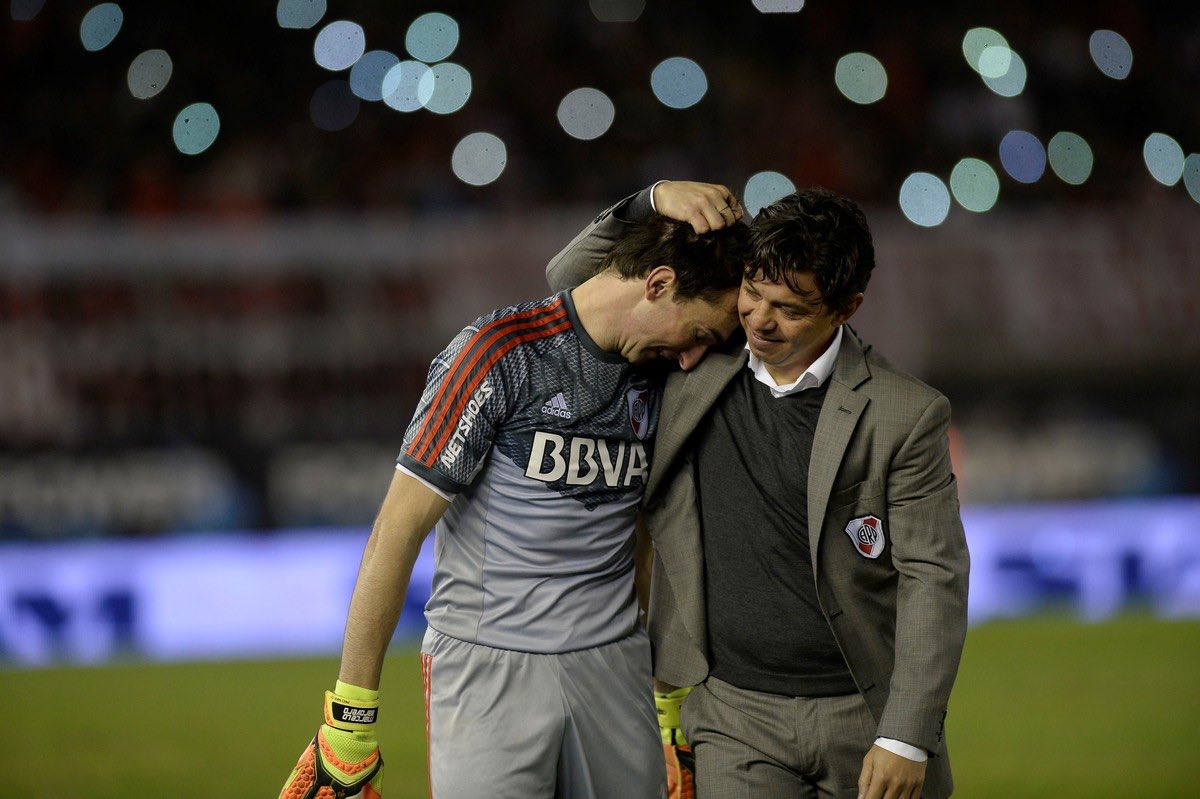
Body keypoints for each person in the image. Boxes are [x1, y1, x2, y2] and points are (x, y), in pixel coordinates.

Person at [278, 209, 749, 799]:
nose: (692, 359)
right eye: (699, 334)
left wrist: (668, 695)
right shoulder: (497, 354)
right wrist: (350, 720)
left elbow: (650, 539)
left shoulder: (659, 375)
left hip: (615, 670)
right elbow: (395, 532)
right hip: (488, 669)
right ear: (657, 285)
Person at [547, 181, 970, 799]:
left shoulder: (905, 414)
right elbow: (572, 283)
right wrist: (651, 200)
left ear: (847, 307)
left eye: (791, 309)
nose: (760, 319)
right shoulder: (695, 356)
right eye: (752, 292)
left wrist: (907, 735)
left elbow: (934, 577)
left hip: (865, 717)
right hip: (734, 718)